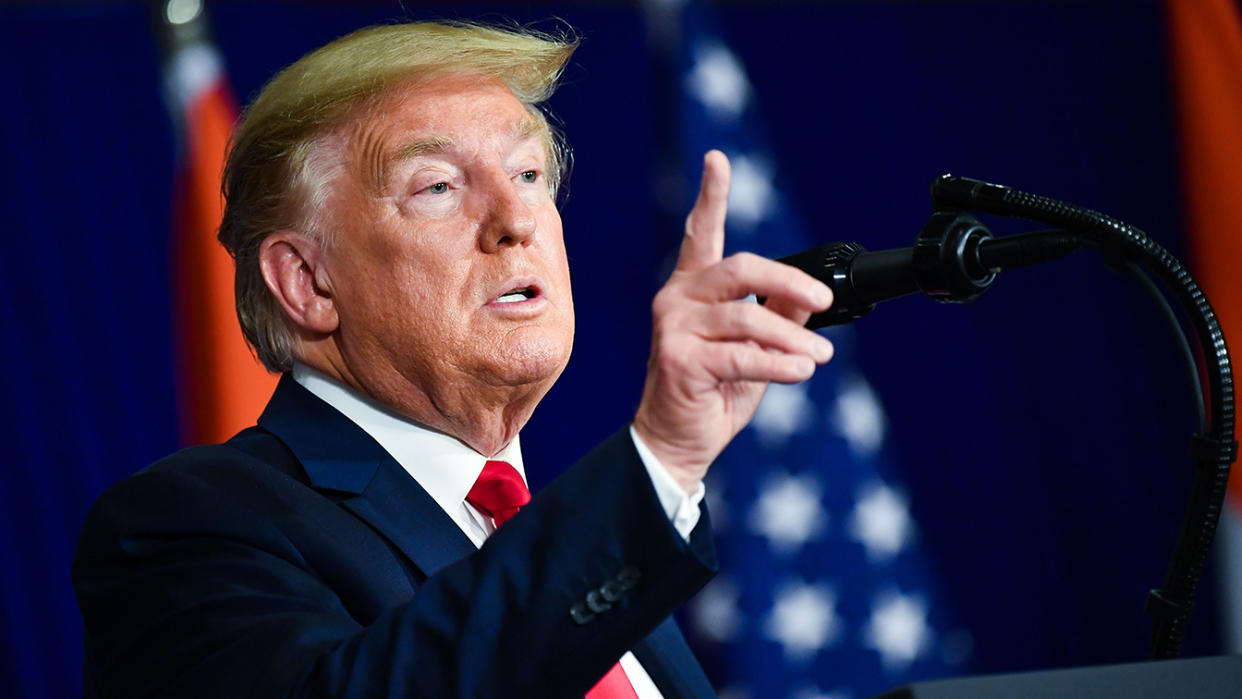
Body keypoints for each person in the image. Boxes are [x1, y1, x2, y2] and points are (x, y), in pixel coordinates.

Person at [72, 21, 834, 698]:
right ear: (308, 282)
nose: (515, 220)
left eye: (529, 175)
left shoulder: (569, 542)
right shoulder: (190, 526)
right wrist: (659, 461)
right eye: (437, 186)